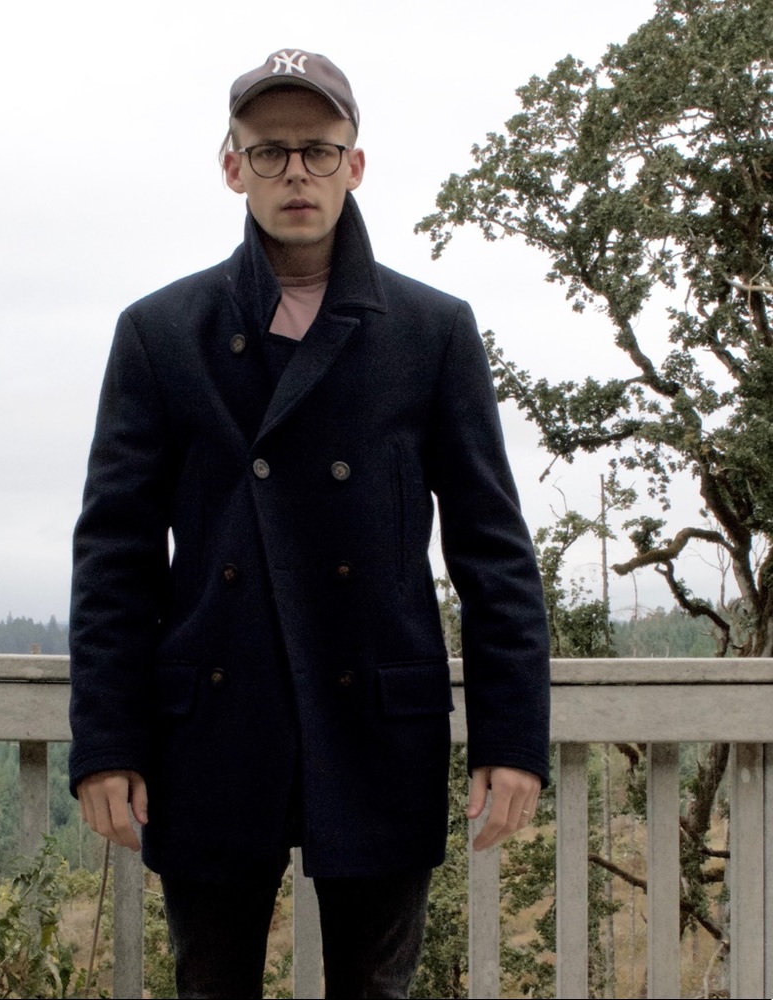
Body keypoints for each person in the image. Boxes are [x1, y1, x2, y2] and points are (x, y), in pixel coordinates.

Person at [69, 48, 550, 999]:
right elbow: (116, 555)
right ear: (233, 166)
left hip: (375, 717)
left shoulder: (432, 331)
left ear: (354, 164)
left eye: (319, 151)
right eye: (271, 151)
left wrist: (512, 740)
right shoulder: (162, 333)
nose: (296, 173)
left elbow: (493, 550)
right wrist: (108, 743)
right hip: (214, 719)